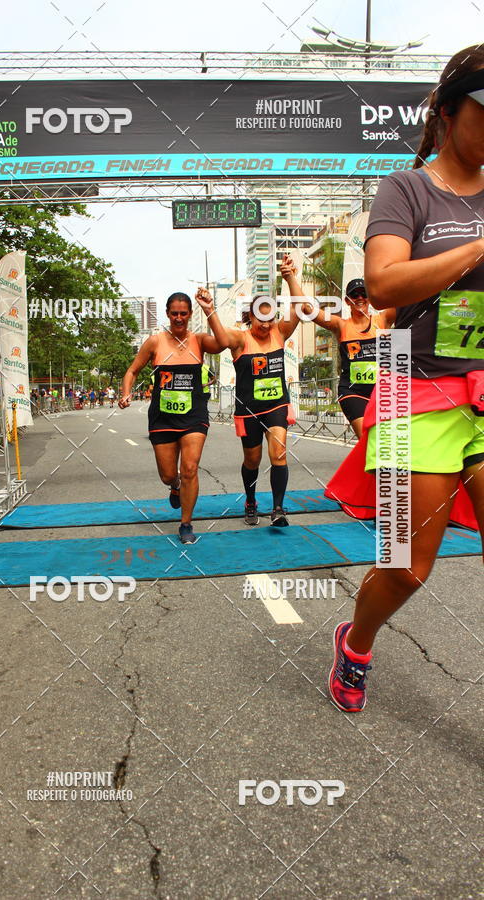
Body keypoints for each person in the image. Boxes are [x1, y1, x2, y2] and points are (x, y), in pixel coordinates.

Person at [327, 46, 484, 713]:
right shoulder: (407, 188)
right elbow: (386, 281)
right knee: (406, 568)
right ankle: (356, 641)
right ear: (449, 113)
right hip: (413, 398)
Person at [119, 288, 228, 543]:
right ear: (167, 314)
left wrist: (209, 309)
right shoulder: (155, 342)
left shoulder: (199, 340)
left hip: (194, 415)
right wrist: (125, 393)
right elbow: (132, 371)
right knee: (169, 474)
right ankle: (175, 485)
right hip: (163, 417)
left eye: (184, 314)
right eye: (174, 314)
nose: (179, 318)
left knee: (190, 467)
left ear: (190, 314)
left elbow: (222, 344)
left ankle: (186, 524)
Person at [222, 254, 305, 526]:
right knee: (253, 460)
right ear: (251, 317)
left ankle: (278, 508)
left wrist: (290, 277)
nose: (266, 325)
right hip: (248, 410)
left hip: (277, 405)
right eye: (261, 319)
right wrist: (210, 310)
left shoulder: (280, 333)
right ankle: (250, 500)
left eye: (270, 319)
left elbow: (301, 308)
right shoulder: (239, 338)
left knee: (279, 452)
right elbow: (220, 338)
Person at [306, 278, 396, 438]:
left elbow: (409, 299)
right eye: (354, 295)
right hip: (353, 391)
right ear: (347, 300)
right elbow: (307, 308)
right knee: (368, 439)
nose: (360, 298)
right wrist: (290, 277)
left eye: (364, 293)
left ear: (370, 298)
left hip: (382, 392)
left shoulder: (382, 320)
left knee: (386, 442)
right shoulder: (341, 325)